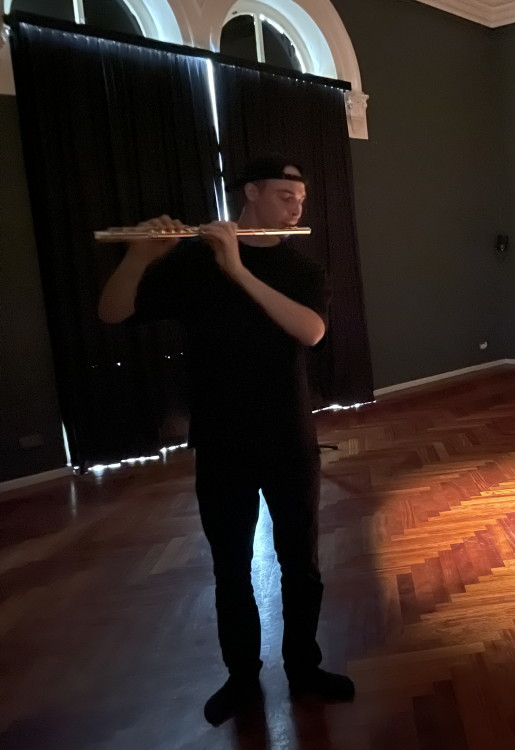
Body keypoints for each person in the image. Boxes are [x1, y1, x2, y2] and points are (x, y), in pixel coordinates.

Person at [98, 155, 354, 725]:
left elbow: (310, 331)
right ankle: (241, 677)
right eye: (286, 196)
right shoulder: (193, 263)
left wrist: (237, 269)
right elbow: (113, 312)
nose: (296, 208)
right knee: (230, 567)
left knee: (302, 563)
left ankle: (304, 668)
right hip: (221, 439)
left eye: (301, 199)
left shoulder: (302, 269)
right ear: (251, 193)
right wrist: (138, 257)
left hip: (288, 435)